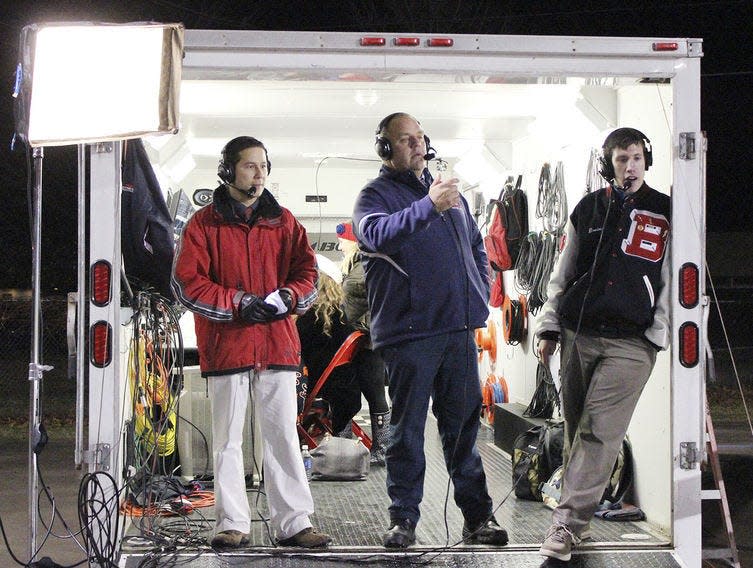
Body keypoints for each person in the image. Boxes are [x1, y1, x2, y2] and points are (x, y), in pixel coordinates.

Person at [351, 112, 508, 548]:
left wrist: (477, 290)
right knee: (407, 433)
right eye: (405, 140)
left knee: (464, 431)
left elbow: (476, 245)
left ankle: (478, 518)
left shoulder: (448, 197)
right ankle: (403, 520)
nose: (417, 146)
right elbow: (376, 234)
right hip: (410, 335)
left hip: (457, 331)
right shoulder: (374, 195)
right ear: (386, 148)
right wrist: (428, 206)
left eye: (420, 138)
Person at [171, 136, 331, 550]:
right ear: (227, 172)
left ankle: (295, 523)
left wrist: (289, 298)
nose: (259, 174)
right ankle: (231, 523)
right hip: (228, 346)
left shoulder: (286, 222)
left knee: (282, 435)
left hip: (277, 346)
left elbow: (307, 274)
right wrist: (240, 303)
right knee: (226, 439)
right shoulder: (203, 225)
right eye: (249, 166)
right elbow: (188, 284)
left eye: (263, 166)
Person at [535, 127, 670, 561]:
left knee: (599, 433)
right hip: (580, 334)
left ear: (646, 160)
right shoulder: (589, 208)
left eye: (635, 158)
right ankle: (582, 524)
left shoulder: (664, 212)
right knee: (577, 430)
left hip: (631, 343)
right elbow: (564, 272)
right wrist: (549, 326)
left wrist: (658, 331)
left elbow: (673, 279)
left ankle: (566, 525)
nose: (629, 166)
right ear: (606, 164)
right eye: (620, 160)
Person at [337, 222, 391, 465]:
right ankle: (374, 447)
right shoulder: (358, 264)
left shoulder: (361, 267)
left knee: (374, 391)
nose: (339, 245)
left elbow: (354, 305)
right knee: (367, 391)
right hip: (363, 339)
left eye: (342, 241)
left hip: (367, 340)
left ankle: (381, 448)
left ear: (353, 241)